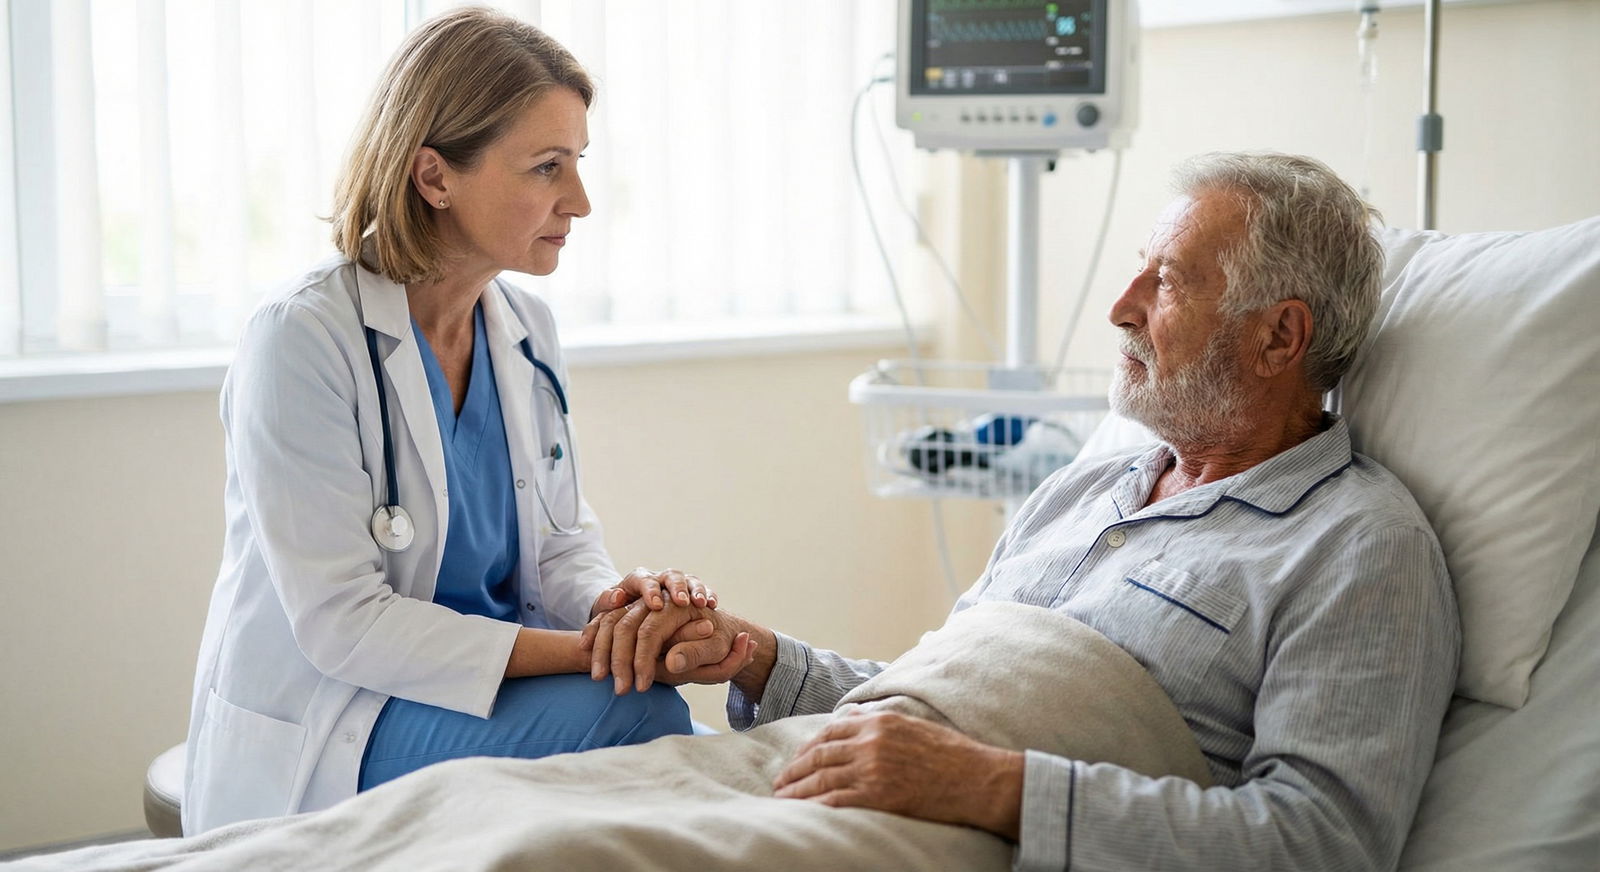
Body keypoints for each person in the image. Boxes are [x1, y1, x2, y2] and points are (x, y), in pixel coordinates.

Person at [588, 153, 1462, 871]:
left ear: (1280, 337)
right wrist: (752, 658)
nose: (1122, 308)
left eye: (1166, 283)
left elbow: (1322, 846)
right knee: (503, 813)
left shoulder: (1359, 547)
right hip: (826, 784)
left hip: (949, 842)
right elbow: (935, 711)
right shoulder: (1083, 492)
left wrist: (995, 789)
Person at [184, 7, 754, 835]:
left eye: (579, 162)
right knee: (642, 720)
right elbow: (346, 625)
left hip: (485, 685)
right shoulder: (301, 338)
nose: (581, 201)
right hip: (348, 710)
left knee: (669, 738)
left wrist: (619, 606)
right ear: (434, 177)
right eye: (547, 167)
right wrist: (603, 651)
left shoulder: (524, 329)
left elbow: (560, 544)